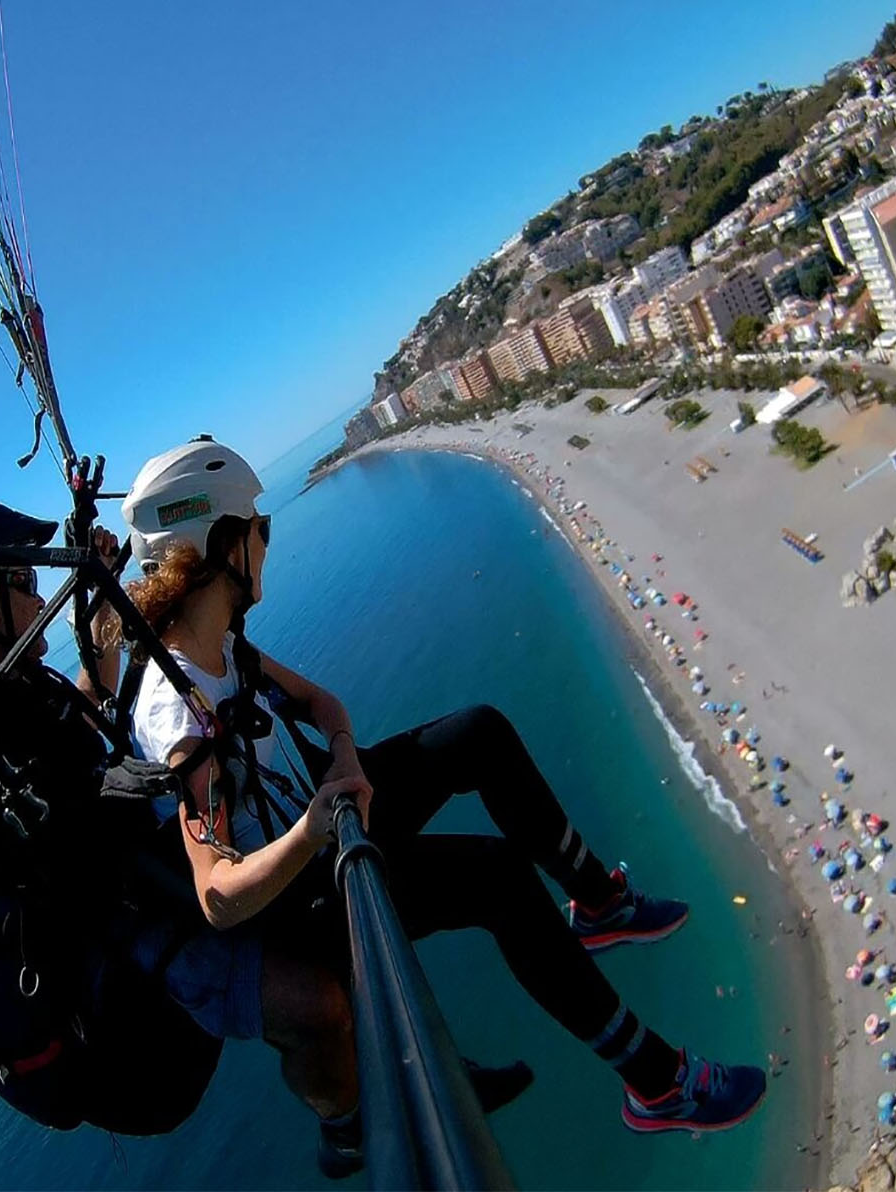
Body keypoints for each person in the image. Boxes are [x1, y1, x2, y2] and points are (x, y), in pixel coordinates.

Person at [117, 436, 768, 1139]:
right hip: (307, 888)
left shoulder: (226, 646)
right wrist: (315, 824)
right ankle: (656, 1082)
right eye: (259, 528)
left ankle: (600, 902)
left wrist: (346, 764)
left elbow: (324, 704)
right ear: (220, 543)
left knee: (477, 732)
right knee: (500, 880)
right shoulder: (176, 712)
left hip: (334, 807)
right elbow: (217, 896)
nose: (268, 542)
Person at [0, 497, 356, 1148]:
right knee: (318, 1006)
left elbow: (92, 701)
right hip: (117, 963)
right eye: (25, 583)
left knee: (312, 921)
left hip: (138, 896)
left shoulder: (28, 684)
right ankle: (351, 1130)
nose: (36, 598)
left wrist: (103, 594)